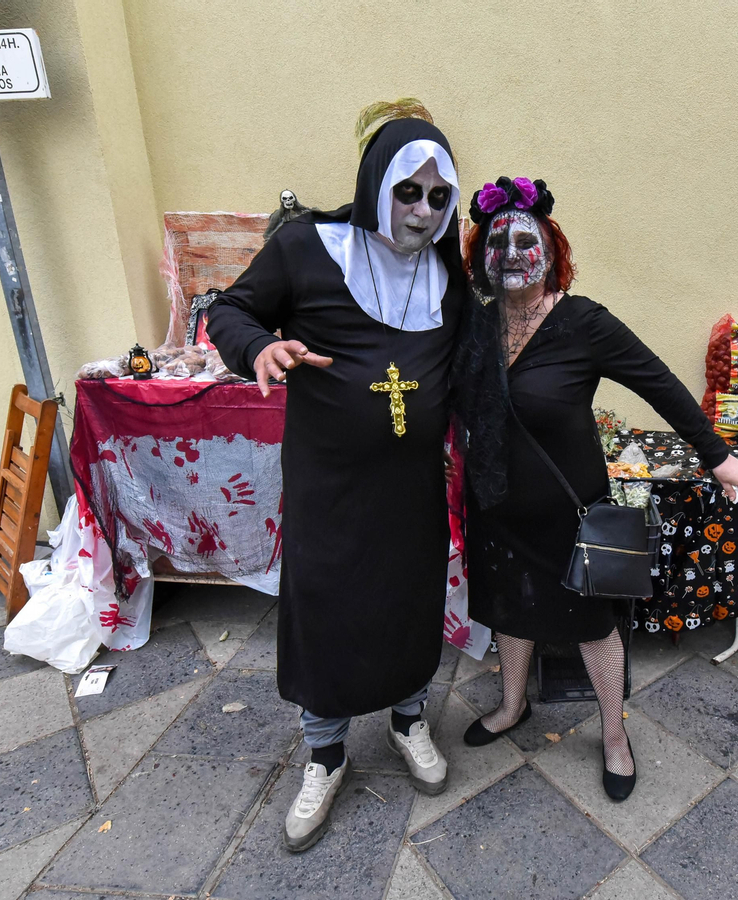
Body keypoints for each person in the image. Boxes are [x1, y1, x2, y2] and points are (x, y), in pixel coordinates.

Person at [208, 100, 467, 852]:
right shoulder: (305, 248)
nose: (423, 211)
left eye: (439, 196)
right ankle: (324, 755)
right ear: (376, 182)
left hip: (412, 487)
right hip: (328, 485)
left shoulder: (446, 268)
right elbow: (230, 312)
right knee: (324, 607)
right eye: (409, 191)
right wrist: (257, 347)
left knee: (411, 599)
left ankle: (410, 720)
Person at [450, 177, 738, 801]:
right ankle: (512, 705)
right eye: (495, 243)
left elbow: (659, 383)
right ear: (480, 256)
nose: (509, 254)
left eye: (524, 241)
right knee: (510, 609)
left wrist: (716, 454)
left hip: (569, 512)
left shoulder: (583, 322)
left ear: (553, 250)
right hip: (496, 506)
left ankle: (614, 733)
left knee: (592, 626)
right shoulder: (473, 325)